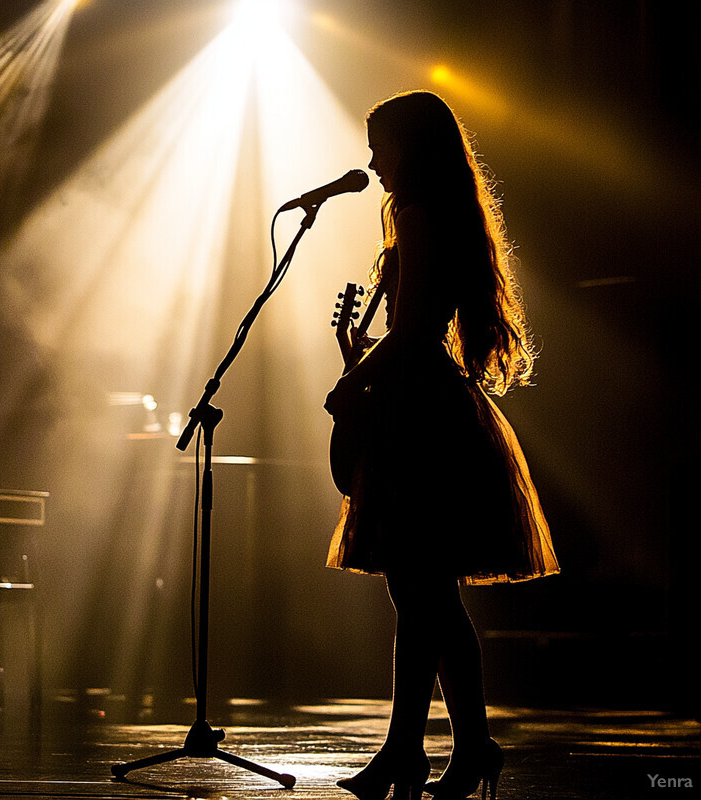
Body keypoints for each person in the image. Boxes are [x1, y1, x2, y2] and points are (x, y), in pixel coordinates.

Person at [324, 90, 559, 800]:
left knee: (421, 591)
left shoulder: (420, 216)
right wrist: (362, 356)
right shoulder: (437, 214)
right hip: (430, 408)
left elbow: (416, 335)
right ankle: (456, 747)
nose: (372, 162)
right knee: (427, 594)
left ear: (410, 146)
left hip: (422, 420)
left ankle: (419, 751)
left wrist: (350, 381)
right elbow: (418, 331)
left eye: (380, 146)